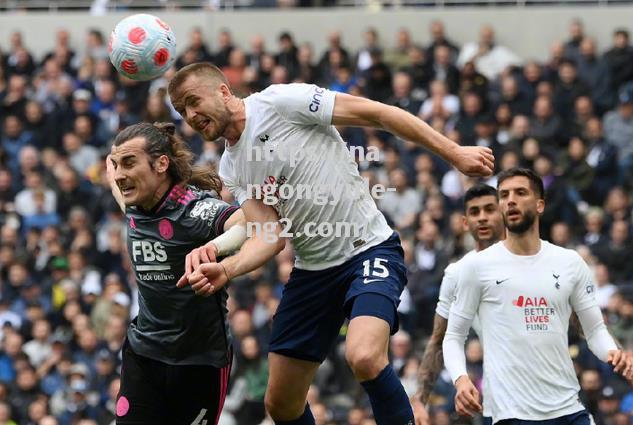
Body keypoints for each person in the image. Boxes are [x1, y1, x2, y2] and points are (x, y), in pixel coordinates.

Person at [167, 62, 494, 425]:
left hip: (367, 249)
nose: (191, 115)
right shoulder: (232, 165)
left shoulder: (280, 102)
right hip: (312, 271)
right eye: (182, 110)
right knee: (281, 405)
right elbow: (269, 236)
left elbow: (379, 114)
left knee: (364, 356)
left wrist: (454, 152)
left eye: (193, 101)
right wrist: (226, 268)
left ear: (224, 92)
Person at [442, 167, 630, 423]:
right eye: (504, 195)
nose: (510, 200)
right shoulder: (476, 267)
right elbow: (453, 336)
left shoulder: (570, 262)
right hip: (512, 414)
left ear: (540, 205)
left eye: (520, 193)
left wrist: (617, 355)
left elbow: (595, 330)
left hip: (569, 410)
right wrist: (461, 379)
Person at [106, 122, 248, 425]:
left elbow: (246, 223)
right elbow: (111, 170)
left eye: (129, 163)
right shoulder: (133, 203)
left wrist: (213, 250)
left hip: (200, 362)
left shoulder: (193, 209)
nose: (119, 175)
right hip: (144, 354)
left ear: (161, 164)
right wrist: (118, 159)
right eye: (117, 165)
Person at [412, 183, 505, 424]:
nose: (482, 218)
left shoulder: (535, 260)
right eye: (474, 212)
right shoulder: (457, 273)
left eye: (489, 209)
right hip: (500, 401)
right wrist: (420, 399)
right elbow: (439, 339)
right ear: (465, 223)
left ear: (503, 213)